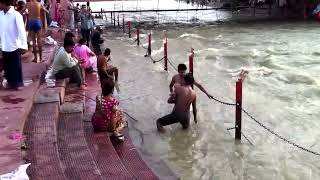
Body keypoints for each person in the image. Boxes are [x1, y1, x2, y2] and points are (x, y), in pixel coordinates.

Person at [0, 0, 28, 90]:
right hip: (4, 44)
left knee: (16, 65)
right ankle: (10, 82)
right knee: (7, 66)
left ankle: (18, 83)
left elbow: (22, 31)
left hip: (14, 44)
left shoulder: (16, 15)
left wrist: (24, 45)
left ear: (4, 3)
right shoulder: (0, 14)